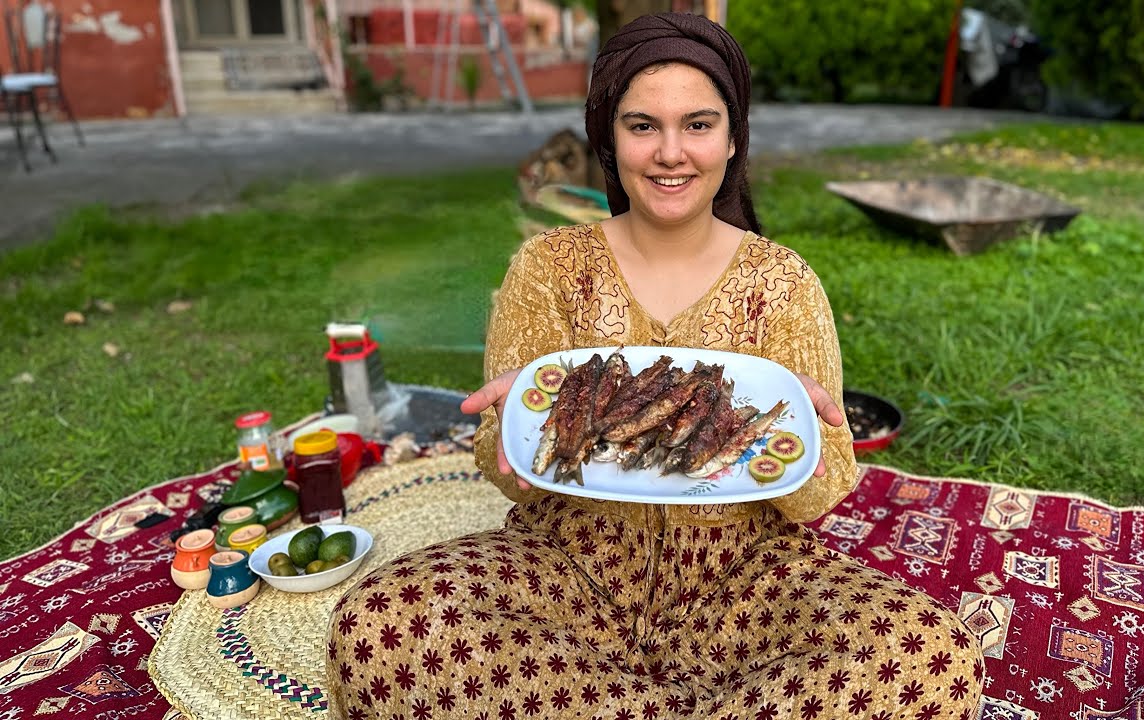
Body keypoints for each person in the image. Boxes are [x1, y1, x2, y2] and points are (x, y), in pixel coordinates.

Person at [326, 13, 984, 719]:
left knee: (924, 654)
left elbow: (818, 495)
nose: (671, 152)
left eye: (698, 125)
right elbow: (506, 467)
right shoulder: (548, 268)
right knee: (378, 624)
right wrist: (514, 440)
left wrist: (810, 447)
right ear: (609, 139)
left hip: (744, 575)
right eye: (643, 126)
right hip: (568, 562)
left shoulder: (783, 281)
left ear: (734, 138)